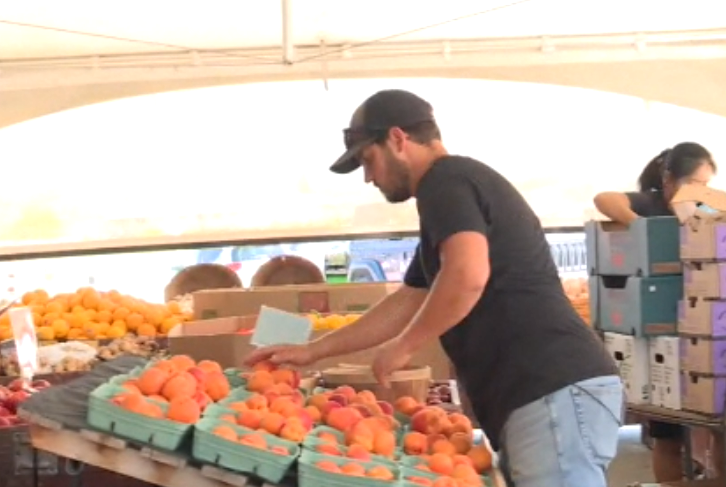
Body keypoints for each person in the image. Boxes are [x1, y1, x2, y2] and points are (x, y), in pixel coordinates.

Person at [247, 89, 622, 487]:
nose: (369, 177)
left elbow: (467, 275)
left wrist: (405, 346)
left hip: (550, 387)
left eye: (368, 160)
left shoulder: (445, 181)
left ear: (397, 139)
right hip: (543, 392)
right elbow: (410, 298)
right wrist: (313, 351)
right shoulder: (454, 191)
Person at [594, 142, 723, 482]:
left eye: (706, 185)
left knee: (719, 430)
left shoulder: (704, 212)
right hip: (661, 340)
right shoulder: (651, 204)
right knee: (667, 439)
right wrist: (643, 228)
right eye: (694, 183)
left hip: (707, 334)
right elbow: (605, 200)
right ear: (668, 180)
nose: (700, 192)